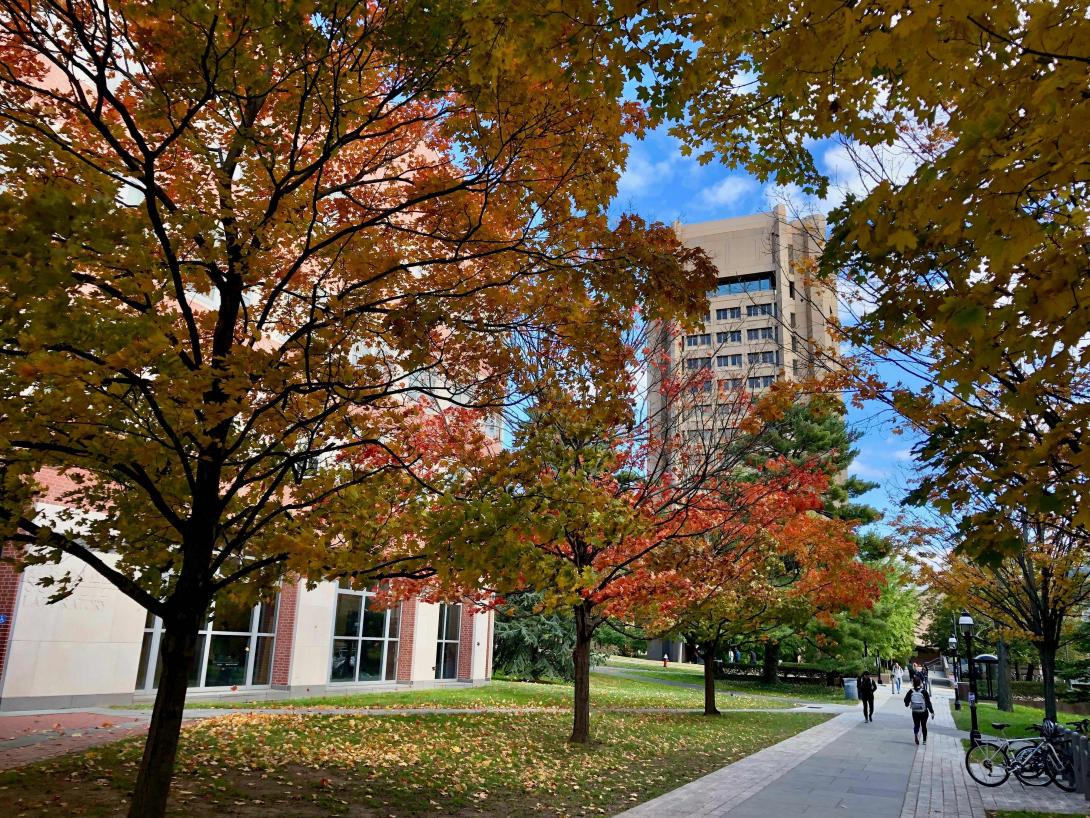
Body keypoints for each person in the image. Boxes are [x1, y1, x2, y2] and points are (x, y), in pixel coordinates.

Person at [904, 677, 935, 745]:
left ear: (913, 683)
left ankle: (916, 734)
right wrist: (932, 712)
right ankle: (924, 740)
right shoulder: (924, 691)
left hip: (915, 711)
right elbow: (928, 702)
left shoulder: (911, 691)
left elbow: (906, 700)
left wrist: (907, 704)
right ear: (920, 683)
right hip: (924, 712)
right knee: (924, 725)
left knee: (916, 724)